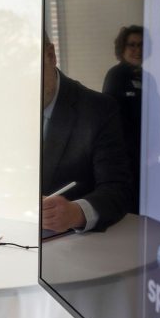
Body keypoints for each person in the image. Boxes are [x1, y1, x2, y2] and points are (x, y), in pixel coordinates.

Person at [42, 32, 132, 234]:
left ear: (50, 55)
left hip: (76, 248)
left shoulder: (98, 109)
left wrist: (76, 213)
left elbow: (118, 189)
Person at [102, 25, 143, 195]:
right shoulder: (116, 75)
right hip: (125, 158)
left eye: (141, 45)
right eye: (132, 45)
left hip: (145, 157)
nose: (137, 50)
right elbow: (109, 118)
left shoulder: (148, 77)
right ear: (122, 48)